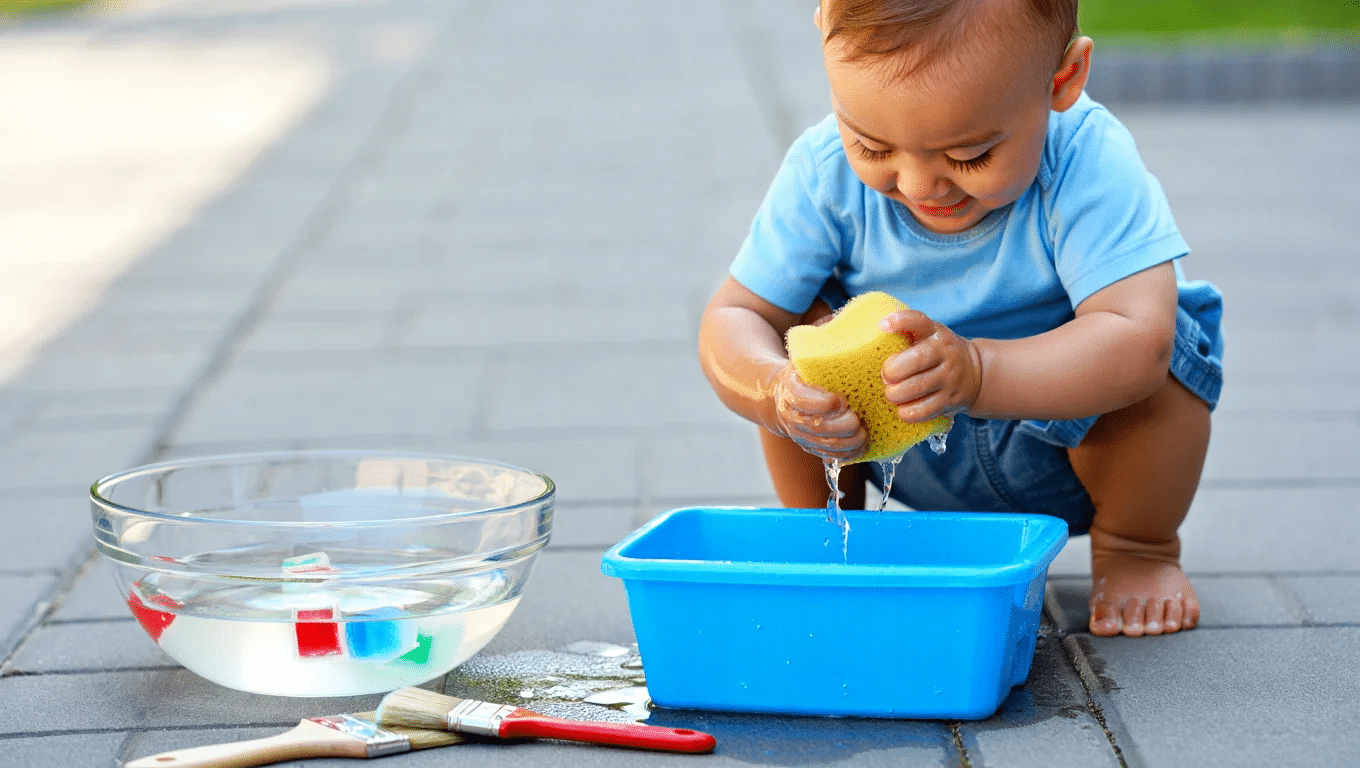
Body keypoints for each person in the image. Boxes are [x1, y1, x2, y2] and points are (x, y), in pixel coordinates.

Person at [697, 0, 1224, 638]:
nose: (920, 185)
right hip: (901, 438)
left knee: (1162, 354)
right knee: (795, 336)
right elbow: (733, 316)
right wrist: (775, 389)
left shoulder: (1085, 158)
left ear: (1061, 80)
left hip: (1070, 443)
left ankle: (1137, 551)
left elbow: (1136, 342)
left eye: (969, 156)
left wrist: (979, 371)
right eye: (872, 144)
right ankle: (831, 542)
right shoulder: (822, 175)